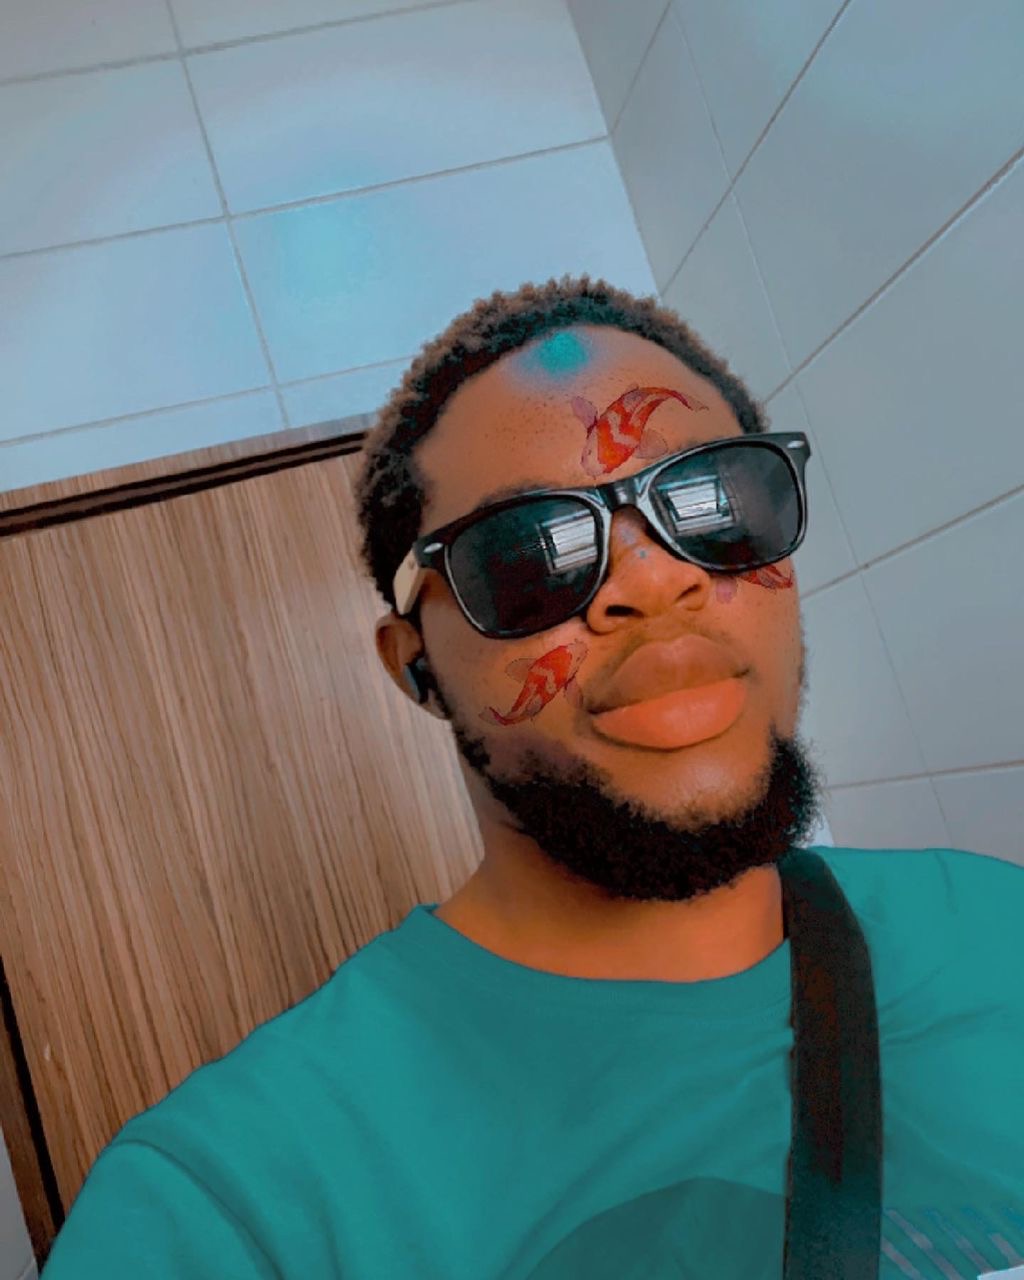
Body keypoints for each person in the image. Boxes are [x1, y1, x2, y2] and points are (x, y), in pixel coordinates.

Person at [42, 276, 1024, 1278]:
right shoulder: (234, 1205)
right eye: (527, 555)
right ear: (415, 667)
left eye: (715, 498)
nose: (656, 581)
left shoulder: (1001, 927)